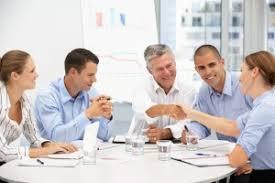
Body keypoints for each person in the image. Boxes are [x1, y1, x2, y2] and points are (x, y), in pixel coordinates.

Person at [180, 51, 275, 183]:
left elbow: (236, 158)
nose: (240, 77)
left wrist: (236, 154)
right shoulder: (264, 104)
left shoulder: (264, 109)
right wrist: (191, 113)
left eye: (242, 70)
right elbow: (231, 127)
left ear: (254, 72)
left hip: (265, 175)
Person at [0, 50, 77, 164]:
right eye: (32, 71)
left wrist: (54, 145)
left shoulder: (24, 101)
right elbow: (3, 153)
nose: (37, 75)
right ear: (15, 75)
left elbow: (34, 138)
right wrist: (46, 151)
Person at [35, 48, 112, 142]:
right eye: (90, 75)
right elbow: (57, 137)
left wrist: (105, 116)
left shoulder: (90, 92)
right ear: (73, 72)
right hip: (53, 155)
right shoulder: (47, 96)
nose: (94, 80)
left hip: (81, 154)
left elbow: (104, 137)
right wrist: (88, 114)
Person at [182, 44, 252, 143]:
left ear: (222, 63)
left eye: (212, 65)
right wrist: (192, 133)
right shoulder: (204, 92)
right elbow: (201, 123)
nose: (208, 72)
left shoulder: (244, 83)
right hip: (228, 152)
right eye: (202, 68)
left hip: (255, 152)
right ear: (197, 70)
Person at [128, 44, 196, 143]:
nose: (167, 72)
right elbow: (145, 110)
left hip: (176, 147)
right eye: (160, 69)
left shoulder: (188, 88)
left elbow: (190, 122)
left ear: (175, 63)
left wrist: (166, 133)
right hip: (140, 146)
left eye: (169, 66)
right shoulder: (141, 86)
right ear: (149, 70)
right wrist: (169, 109)